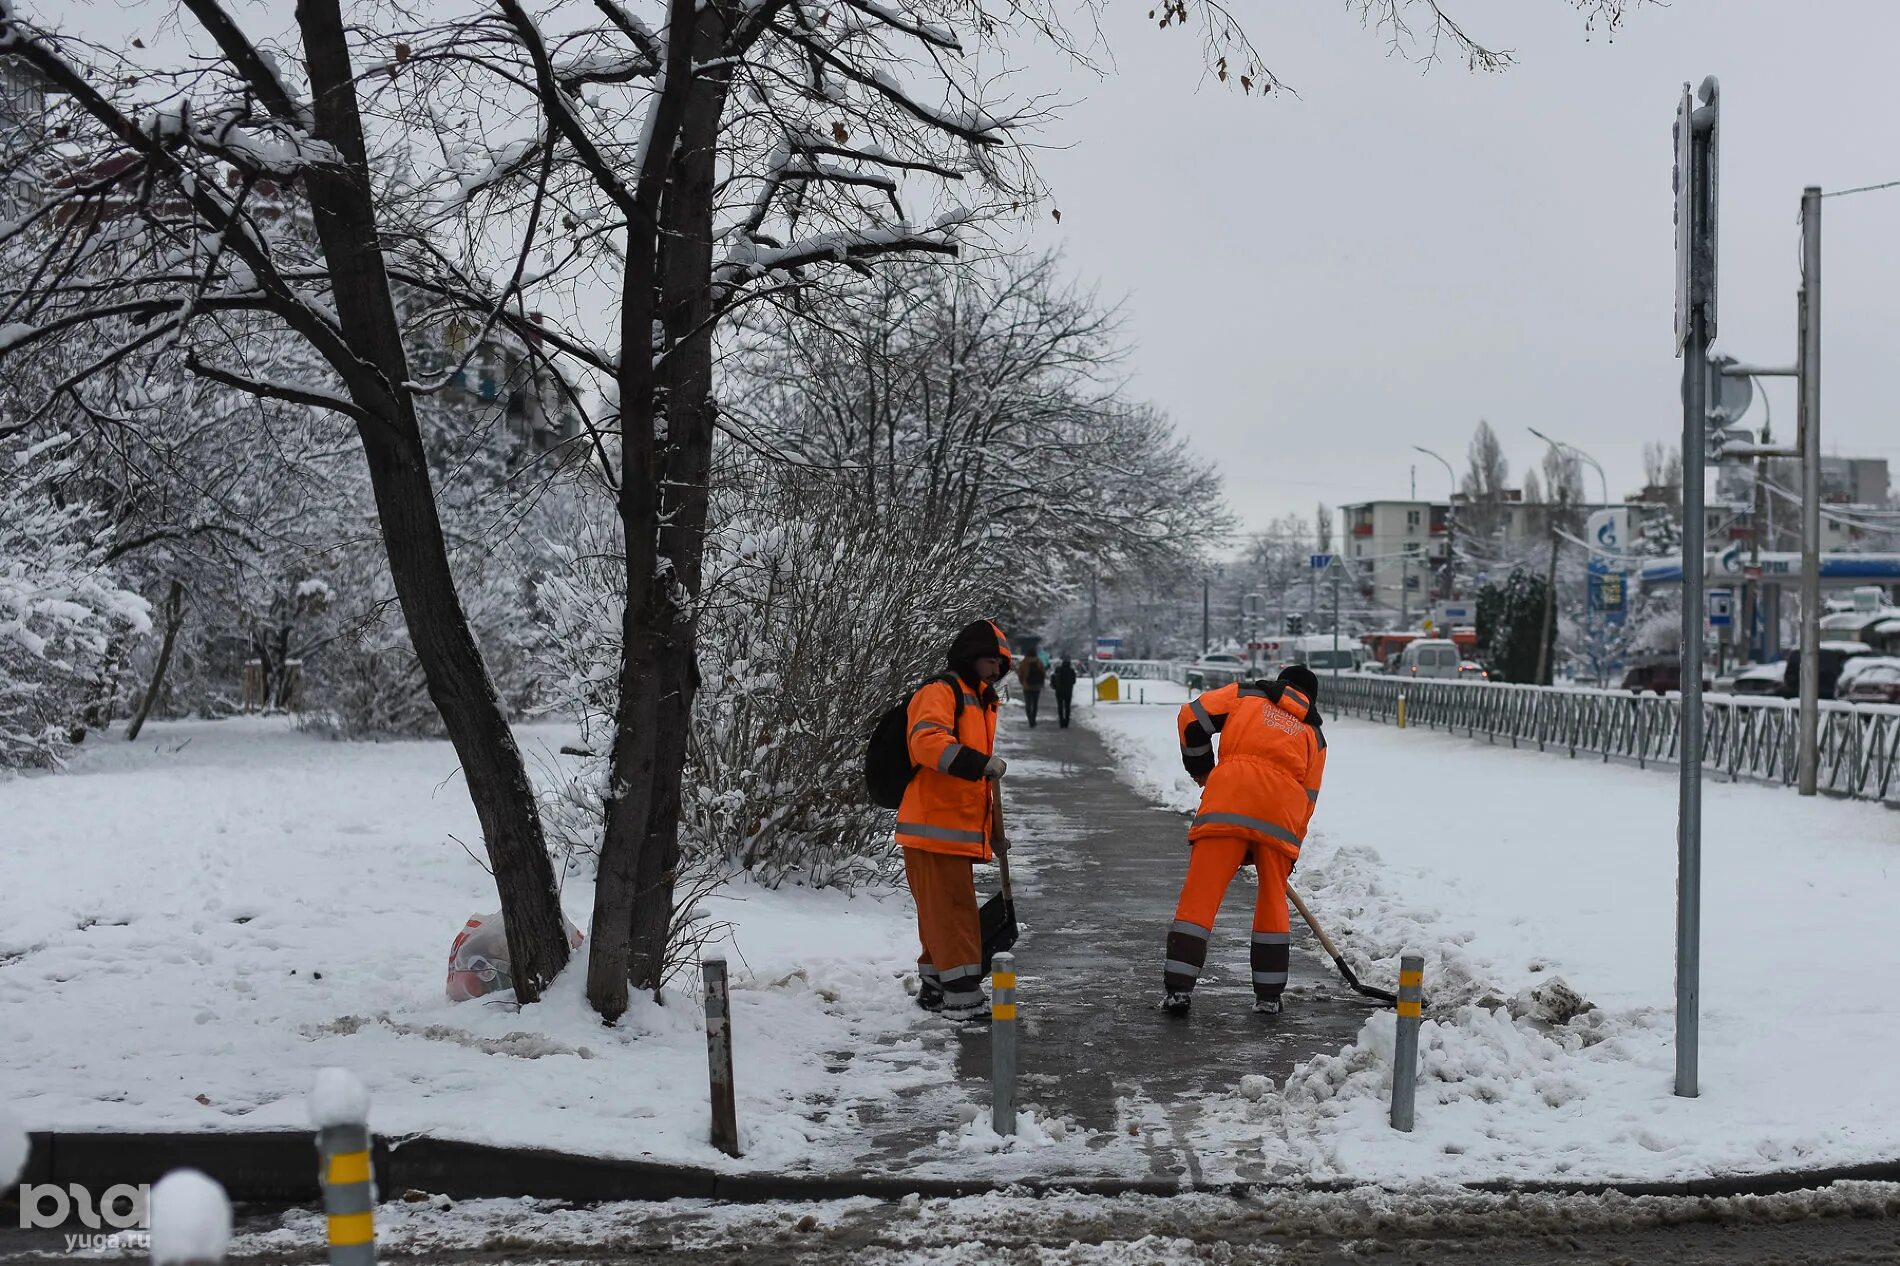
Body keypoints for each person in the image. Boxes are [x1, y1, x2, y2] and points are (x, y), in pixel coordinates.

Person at [1161, 664, 1326, 1017]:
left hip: (1226, 805)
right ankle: (1268, 996)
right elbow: (1309, 797)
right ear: (1311, 698)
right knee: (1272, 901)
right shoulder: (1314, 734)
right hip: (1280, 818)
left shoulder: (1245, 695)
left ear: (1281, 683)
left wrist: (1203, 771)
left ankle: (1179, 990)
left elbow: (1192, 717)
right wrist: (1288, 848)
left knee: (1199, 899)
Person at [899, 619, 1013, 1022]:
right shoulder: (942, 691)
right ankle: (963, 996)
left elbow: (980, 783)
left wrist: (995, 830)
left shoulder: (979, 701)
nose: (997, 670)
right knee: (953, 912)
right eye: (991, 661)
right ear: (971, 658)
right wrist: (980, 762)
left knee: (939, 912)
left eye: (1002, 665)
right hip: (932, 828)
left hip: (947, 830)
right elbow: (927, 743)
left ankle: (934, 986)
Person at [1017, 653, 1048, 726]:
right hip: (1037, 687)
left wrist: (1022, 682)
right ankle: (1033, 719)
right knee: (1035, 704)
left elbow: (1020, 674)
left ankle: (1030, 719)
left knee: (1028, 704)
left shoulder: (1024, 662)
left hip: (1027, 686)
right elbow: (1043, 674)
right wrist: (1041, 683)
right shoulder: (1039, 662)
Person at [1051, 657, 1078, 728]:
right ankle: (1067, 721)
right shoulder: (1071, 671)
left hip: (1059, 690)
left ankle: (1061, 721)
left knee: (1060, 706)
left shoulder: (1058, 669)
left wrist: (1054, 685)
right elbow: (1074, 681)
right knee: (1067, 706)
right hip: (1068, 691)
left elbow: (1054, 677)